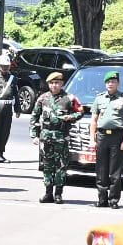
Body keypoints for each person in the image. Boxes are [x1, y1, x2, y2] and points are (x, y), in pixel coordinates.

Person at [30, 71, 84, 204]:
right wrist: (34, 135)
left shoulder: (70, 98)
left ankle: (58, 194)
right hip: (46, 136)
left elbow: (81, 112)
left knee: (61, 166)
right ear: (48, 84)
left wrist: (71, 117)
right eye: (52, 83)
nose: (54, 85)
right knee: (47, 165)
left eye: (57, 83)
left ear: (62, 84)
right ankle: (48, 193)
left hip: (61, 136)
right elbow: (34, 117)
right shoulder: (42, 98)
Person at [91, 71, 123, 208]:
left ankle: (114, 200)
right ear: (105, 83)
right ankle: (102, 199)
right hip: (102, 136)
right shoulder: (99, 99)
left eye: (113, 81)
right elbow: (94, 120)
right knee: (101, 170)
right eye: (108, 82)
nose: (111, 84)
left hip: (117, 137)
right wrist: (92, 139)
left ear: (118, 83)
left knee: (115, 171)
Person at [0, 54, 18, 163]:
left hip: (8, 107)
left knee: (5, 131)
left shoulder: (13, 79)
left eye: (7, 66)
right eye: (3, 66)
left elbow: (16, 94)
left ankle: (0, 154)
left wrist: (17, 109)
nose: (5, 68)